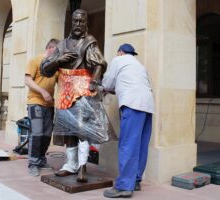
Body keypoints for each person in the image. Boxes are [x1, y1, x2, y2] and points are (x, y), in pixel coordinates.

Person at [41, 9, 111, 183]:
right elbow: (45, 69)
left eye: (82, 21)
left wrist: (94, 80)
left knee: (82, 130)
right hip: (65, 92)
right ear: (71, 22)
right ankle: (71, 164)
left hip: (82, 92)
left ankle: (82, 166)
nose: (78, 25)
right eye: (75, 21)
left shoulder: (89, 42)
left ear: (86, 23)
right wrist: (59, 60)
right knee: (68, 130)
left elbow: (100, 64)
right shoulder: (62, 45)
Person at [102, 44, 154, 198]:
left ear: (120, 52)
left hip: (133, 104)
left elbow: (107, 83)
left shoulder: (118, 60)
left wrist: (103, 88)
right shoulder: (139, 66)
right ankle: (136, 180)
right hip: (148, 105)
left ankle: (124, 186)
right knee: (141, 145)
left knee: (127, 144)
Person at [25, 39, 59, 176]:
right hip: (35, 102)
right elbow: (27, 80)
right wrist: (43, 92)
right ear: (51, 48)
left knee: (46, 135)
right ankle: (33, 163)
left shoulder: (56, 66)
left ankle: (41, 160)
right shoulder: (35, 60)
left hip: (49, 105)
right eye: (57, 51)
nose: (59, 54)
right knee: (37, 132)